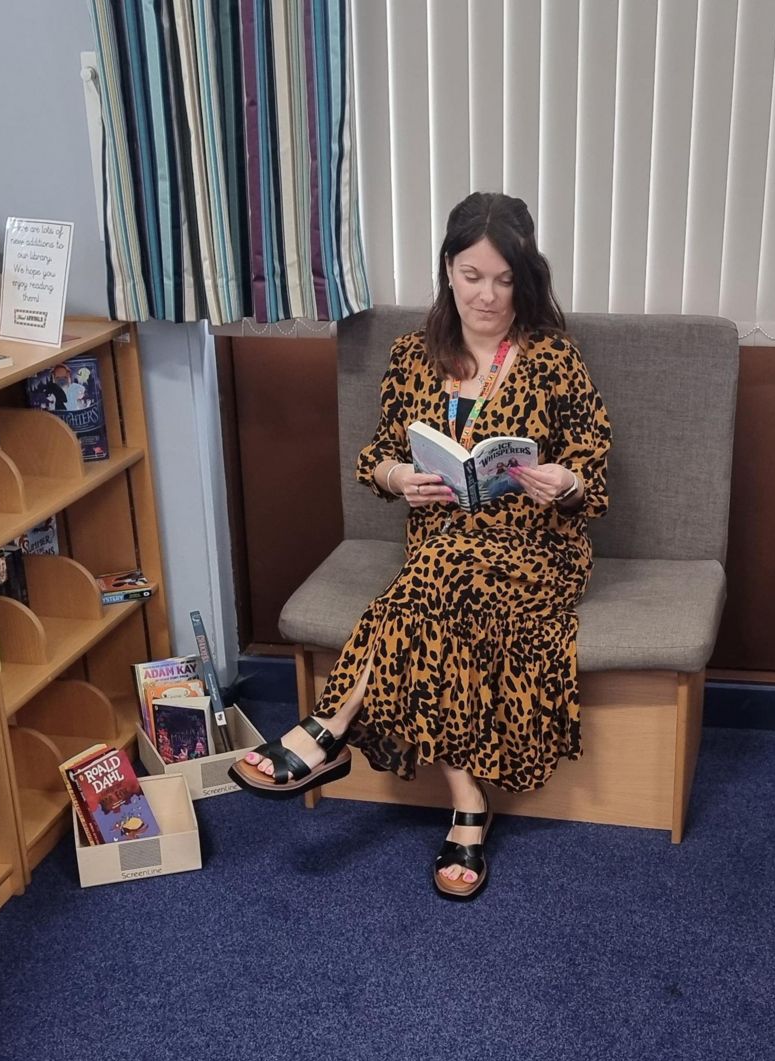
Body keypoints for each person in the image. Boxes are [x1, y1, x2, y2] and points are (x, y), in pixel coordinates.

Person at [229, 192, 611, 902]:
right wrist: (402, 475)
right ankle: (468, 807)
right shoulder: (413, 355)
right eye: (473, 275)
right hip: (444, 543)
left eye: (504, 279)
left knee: (430, 579)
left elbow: (593, 466)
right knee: (439, 580)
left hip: (534, 549)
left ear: (525, 279)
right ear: (447, 269)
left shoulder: (556, 360)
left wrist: (564, 482)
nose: (488, 295)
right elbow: (375, 457)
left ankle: (327, 727)